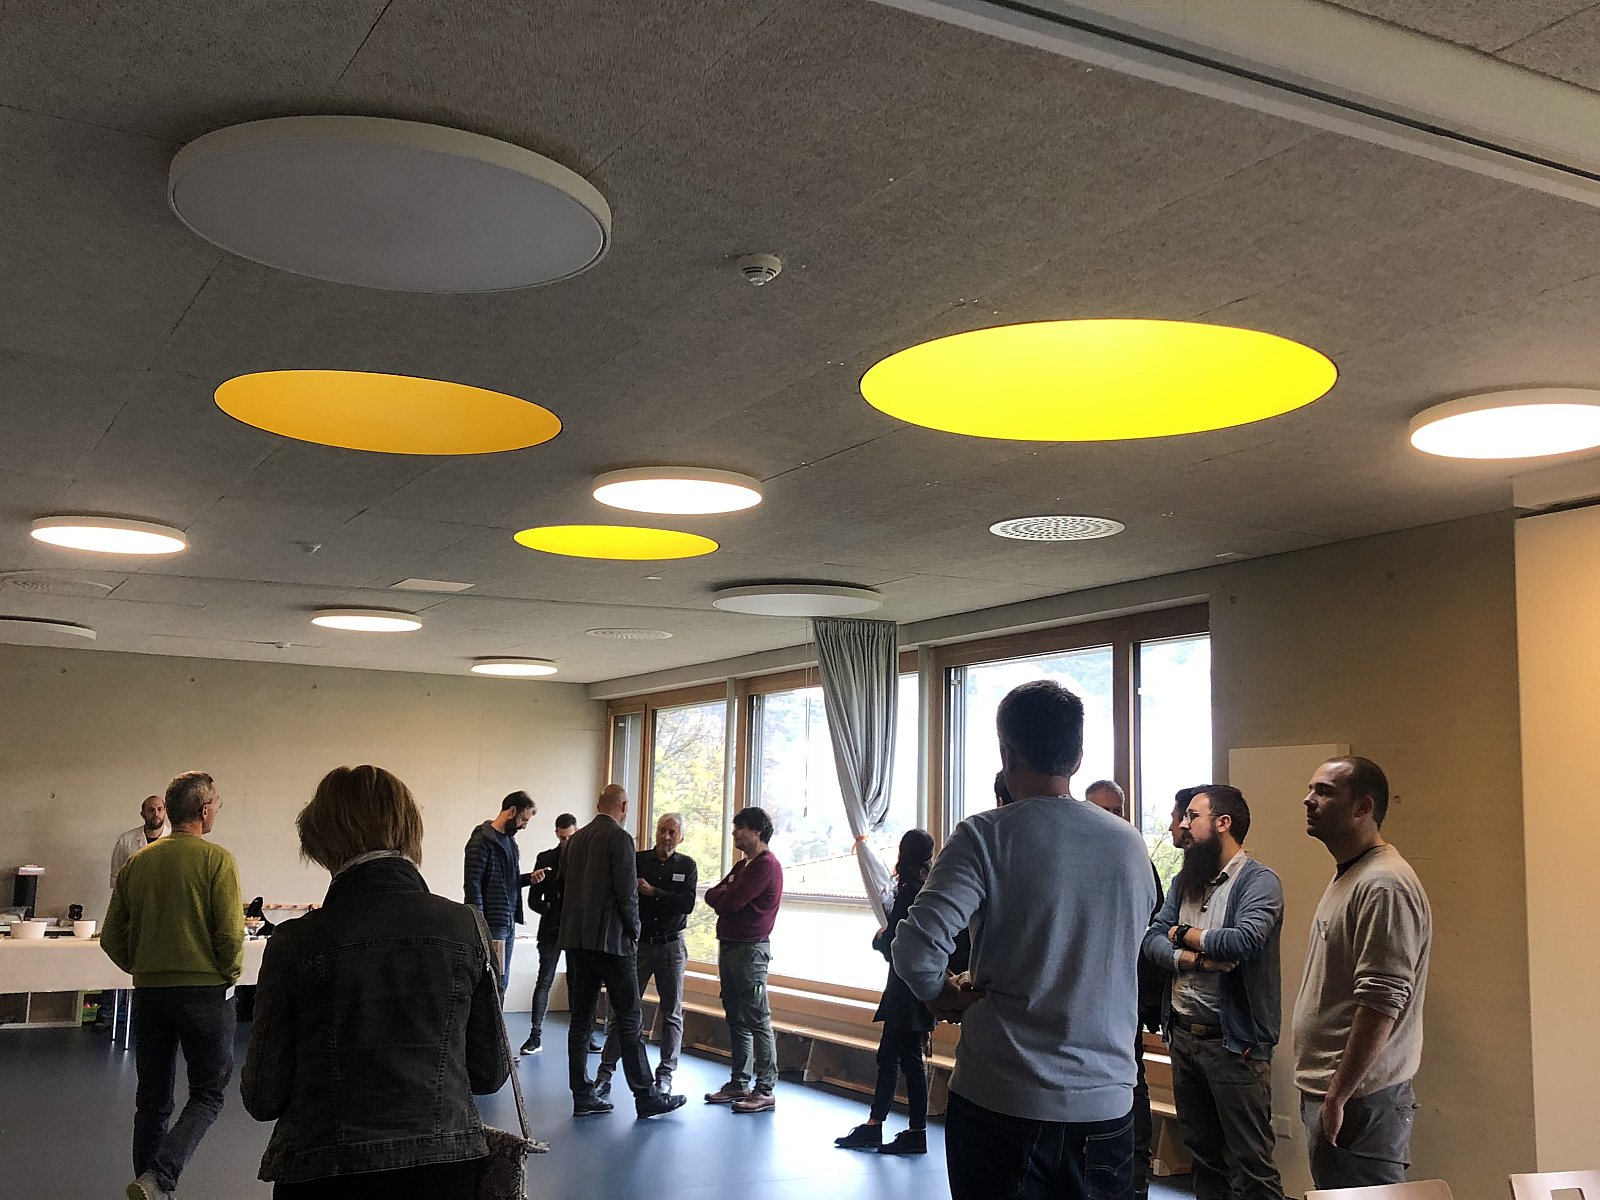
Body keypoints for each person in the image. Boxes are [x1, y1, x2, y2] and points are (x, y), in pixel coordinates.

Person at [893, 681, 1157, 1200]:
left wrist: (942, 993)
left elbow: (916, 949)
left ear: (1007, 752)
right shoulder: (1130, 844)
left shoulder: (984, 835)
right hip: (1106, 1102)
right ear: (1077, 756)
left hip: (1002, 1096)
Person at [241, 765, 510, 1200]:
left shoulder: (295, 942)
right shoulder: (467, 928)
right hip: (445, 1170)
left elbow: (262, 1096)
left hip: (324, 1171)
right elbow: (490, 1073)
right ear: (409, 828)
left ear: (321, 839)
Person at [102, 771, 243, 1200]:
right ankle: (160, 1176)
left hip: (150, 993)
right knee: (208, 1093)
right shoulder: (217, 860)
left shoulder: (138, 863)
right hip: (205, 993)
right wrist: (229, 974)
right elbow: (230, 936)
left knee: (152, 1100)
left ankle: (147, 1185)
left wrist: (142, 967)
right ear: (204, 811)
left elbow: (111, 937)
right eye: (216, 804)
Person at [1143, 785, 1285, 1200]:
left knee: (1251, 1166)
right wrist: (1196, 960)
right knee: (1203, 1160)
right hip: (1184, 1037)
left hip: (1234, 1046)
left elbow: (1241, 941)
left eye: (1193, 816)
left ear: (1223, 823)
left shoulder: (1259, 882)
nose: (1183, 825)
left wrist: (1181, 933)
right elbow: (1151, 940)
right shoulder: (1184, 881)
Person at [1295, 757, 1431, 1189]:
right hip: (1339, 1093)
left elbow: (1381, 1000)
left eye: (1324, 791)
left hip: (1360, 1100)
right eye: (1311, 789)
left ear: (1363, 807)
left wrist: (1339, 1094)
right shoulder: (1353, 875)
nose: (1309, 799)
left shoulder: (1384, 884)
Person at [558, 784, 686, 1119]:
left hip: (576, 940)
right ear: (624, 806)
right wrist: (635, 930)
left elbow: (567, 888)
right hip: (612, 943)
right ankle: (645, 1095)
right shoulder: (620, 839)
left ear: (598, 803)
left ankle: (582, 1095)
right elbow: (627, 893)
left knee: (581, 1019)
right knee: (629, 1016)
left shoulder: (575, 841)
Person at [835, 828, 964, 1156]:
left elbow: (895, 945)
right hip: (918, 989)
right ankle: (880, 1123)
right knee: (895, 1057)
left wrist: (879, 939)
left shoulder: (907, 894)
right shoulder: (929, 890)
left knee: (903, 1059)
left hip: (904, 990)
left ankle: (909, 1130)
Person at [1084, 779, 1167, 1200]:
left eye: (1115, 812)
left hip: (1123, 997)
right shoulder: (1073, 859)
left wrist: (1145, 999)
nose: (1108, 820)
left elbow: (1155, 928)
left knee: (1132, 1082)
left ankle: (1135, 1180)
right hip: (1081, 997)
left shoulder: (1138, 862)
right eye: (1100, 811)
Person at [596, 811, 698, 1096]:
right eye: (662, 830)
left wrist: (654, 892)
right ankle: (605, 1072)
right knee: (624, 1008)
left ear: (681, 837)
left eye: (672, 832)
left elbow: (687, 904)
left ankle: (665, 1074)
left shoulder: (687, 865)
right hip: (638, 945)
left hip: (671, 946)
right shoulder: (638, 860)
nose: (666, 836)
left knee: (671, 1011)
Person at [703, 806, 784, 1113]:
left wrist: (727, 894)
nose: (735, 832)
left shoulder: (765, 866)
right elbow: (712, 895)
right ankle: (739, 1082)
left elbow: (731, 902)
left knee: (757, 1019)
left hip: (750, 951)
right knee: (735, 1016)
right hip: (730, 947)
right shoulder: (742, 866)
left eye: (740, 827)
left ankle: (765, 1088)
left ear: (757, 832)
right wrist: (726, 894)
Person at [462, 791, 535, 997]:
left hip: (507, 920)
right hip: (492, 922)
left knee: (501, 980)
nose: (524, 826)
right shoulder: (481, 841)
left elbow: (509, 882)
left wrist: (529, 879)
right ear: (512, 811)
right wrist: (479, 922)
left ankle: (497, 1018)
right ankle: (491, 1019)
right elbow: (472, 884)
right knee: (493, 981)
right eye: (523, 819)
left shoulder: (510, 843)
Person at [521, 812, 578, 1055]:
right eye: (562, 837)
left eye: (569, 837)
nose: (565, 842)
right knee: (544, 980)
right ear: (556, 833)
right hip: (551, 928)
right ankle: (535, 1035)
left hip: (576, 930)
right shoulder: (545, 858)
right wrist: (551, 909)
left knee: (577, 982)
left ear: (576, 832)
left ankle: (582, 1035)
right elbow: (533, 900)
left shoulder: (584, 860)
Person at [110, 794, 169, 889]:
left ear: (165, 812)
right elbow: (116, 876)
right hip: (134, 895)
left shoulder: (175, 838)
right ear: (143, 814)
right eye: (151, 810)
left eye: (160, 809)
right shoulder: (126, 840)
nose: (156, 813)